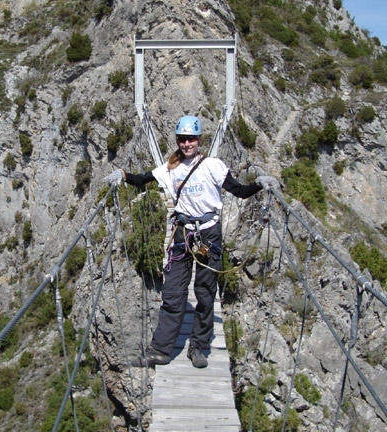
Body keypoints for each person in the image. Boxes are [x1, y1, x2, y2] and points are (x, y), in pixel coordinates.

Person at [106, 115, 279, 368]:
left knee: (205, 293)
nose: (187, 143)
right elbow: (142, 180)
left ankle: (198, 346)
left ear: (199, 140)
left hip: (209, 233)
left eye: (191, 139)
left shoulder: (213, 166)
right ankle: (160, 350)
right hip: (182, 232)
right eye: (182, 139)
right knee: (173, 292)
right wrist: (121, 175)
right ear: (178, 140)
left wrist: (259, 185)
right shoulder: (170, 168)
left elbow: (239, 192)